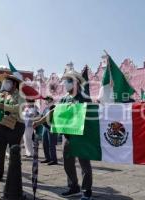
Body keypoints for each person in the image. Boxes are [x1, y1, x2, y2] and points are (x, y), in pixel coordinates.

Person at [33, 70, 93, 200]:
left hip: (81, 136)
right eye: (65, 81)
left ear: (76, 82)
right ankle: (73, 186)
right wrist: (39, 121)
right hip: (67, 135)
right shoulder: (65, 98)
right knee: (67, 163)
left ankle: (86, 190)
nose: (65, 83)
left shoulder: (84, 97)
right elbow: (54, 112)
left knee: (84, 165)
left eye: (68, 81)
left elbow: (91, 115)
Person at [0, 74, 25, 181]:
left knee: (14, 152)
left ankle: (14, 176)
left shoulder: (20, 95)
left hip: (15, 126)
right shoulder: (2, 94)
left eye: (8, 82)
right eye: (5, 82)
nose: (5, 84)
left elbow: (19, 108)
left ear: (14, 84)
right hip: (1, 125)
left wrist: (3, 106)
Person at [41, 96, 58, 165]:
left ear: (51, 100)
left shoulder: (54, 107)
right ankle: (47, 158)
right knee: (44, 143)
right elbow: (42, 116)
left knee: (51, 144)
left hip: (51, 127)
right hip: (45, 127)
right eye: (45, 100)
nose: (46, 101)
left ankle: (54, 160)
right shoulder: (46, 108)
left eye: (47, 100)